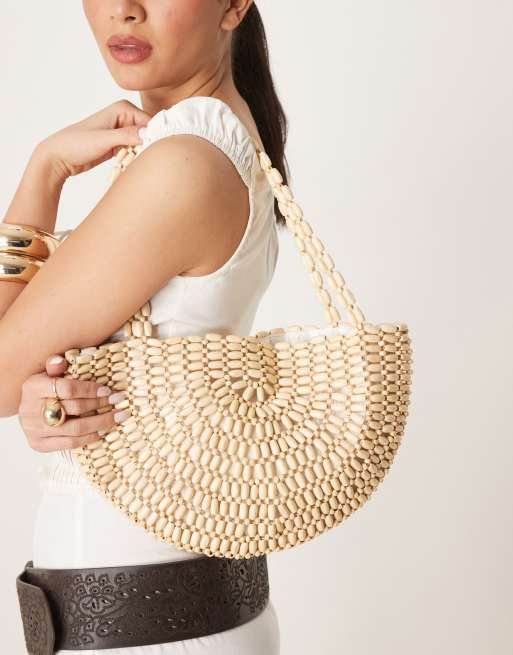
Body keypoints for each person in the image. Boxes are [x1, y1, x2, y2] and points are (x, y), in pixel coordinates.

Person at [0, 1, 289, 652]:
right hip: (178, 605)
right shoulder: (215, 140)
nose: (124, 10)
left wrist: (43, 173)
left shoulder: (184, 162)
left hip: (148, 624)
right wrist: (46, 393)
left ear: (234, 5)